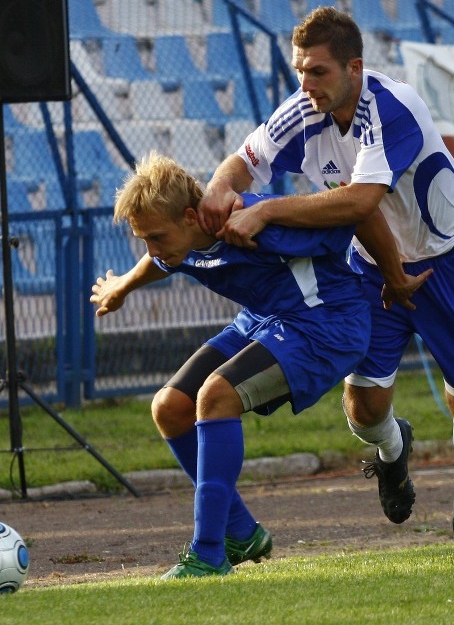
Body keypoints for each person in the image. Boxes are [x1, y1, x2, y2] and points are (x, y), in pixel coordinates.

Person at [197, 6, 454, 552]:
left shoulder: (391, 108)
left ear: (355, 67)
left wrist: (268, 210)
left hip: (450, 258)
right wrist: (217, 190)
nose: (306, 84)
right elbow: (244, 160)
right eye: (299, 70)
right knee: (363, 408)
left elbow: (362, 199)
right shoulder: (304, 108)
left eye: (318, 71)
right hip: (372, 267)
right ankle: (394, 454)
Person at [90, 151, 371, 578]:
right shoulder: (179, 241)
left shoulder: (254, 221)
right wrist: (123, 286)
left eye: (156, 236)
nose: (152, 248)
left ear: (190, 216)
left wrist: (397, 279)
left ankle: (207, 553)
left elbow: (354, 217)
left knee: (216, 395)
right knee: (169, 407)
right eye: (143, 239)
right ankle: (241, 532)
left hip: (324, 324)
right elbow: (161, 261)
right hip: (265, 321)